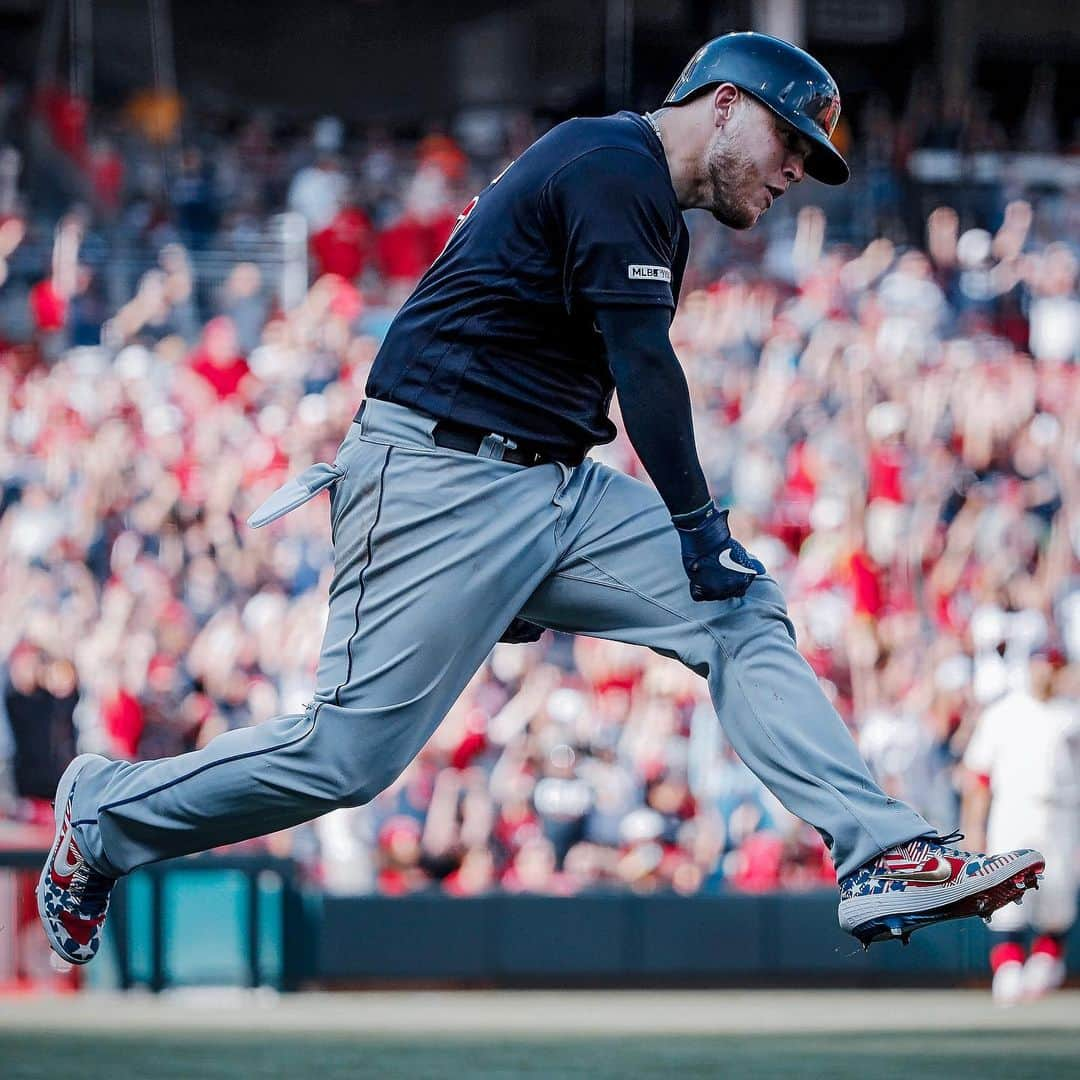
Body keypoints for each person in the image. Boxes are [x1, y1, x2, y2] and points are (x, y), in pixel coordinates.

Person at [40, 32, 1042, 966]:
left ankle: (881, 851)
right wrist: (695, 528)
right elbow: (644, 369)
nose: (796, 171)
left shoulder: (640, 195)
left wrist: (563, 570)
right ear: (724, 104)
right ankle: (106, 813)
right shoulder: (611, 163)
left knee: (741, 607)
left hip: (544, 480)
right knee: (344, 760)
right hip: (435, 475)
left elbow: (572, 368)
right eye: (790, 142)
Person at [962, 658, 1079, 1005]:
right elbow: (979, 776)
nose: (1045, 674)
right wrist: (973, 825)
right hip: (1013, 809)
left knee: (1057, 896)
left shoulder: (1071, 714)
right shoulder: (1003, 713)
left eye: (1053, 667)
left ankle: (1045, 960)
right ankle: (1008, 965)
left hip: (1061, 811)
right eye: (1040, 666)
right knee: (1005, 892)